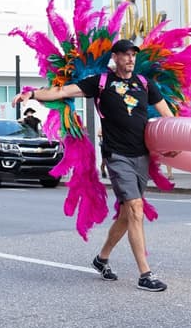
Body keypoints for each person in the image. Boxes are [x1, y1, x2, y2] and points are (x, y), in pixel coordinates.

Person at [13, 39, 174, 292]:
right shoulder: (101, 83)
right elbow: (62, 92)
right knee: (135, 208)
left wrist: (174, 144)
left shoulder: (144, 84)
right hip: (117, 155)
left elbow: (168, 116)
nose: (130, 59)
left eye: (133, 54)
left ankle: (102, 258)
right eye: (125, 54)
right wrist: (31, 94)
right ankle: (145, 274)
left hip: (141, 156)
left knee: (127, 215)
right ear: (115, 57)